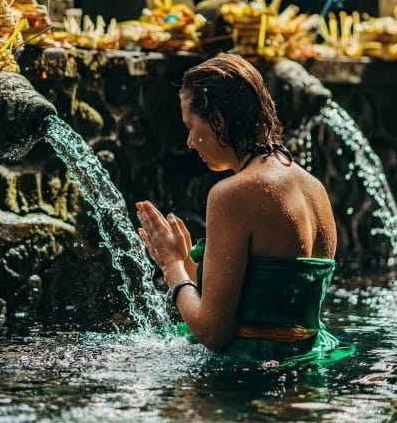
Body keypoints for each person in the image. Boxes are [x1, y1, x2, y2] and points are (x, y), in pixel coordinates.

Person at [135, 52, 353, 363]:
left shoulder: (231, 194)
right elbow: (263, 302)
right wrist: (187, 262)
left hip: (250, 376)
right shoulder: (314, 188)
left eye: (191, 126)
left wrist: (171, 267)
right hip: (309, 366)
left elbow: (213, 333)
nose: (189, 141)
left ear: (218, 120)